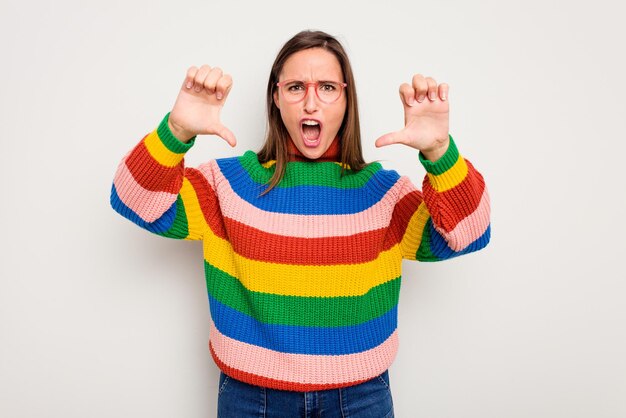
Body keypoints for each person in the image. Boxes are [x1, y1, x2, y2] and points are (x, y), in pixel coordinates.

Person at [110, 29, 490, 418]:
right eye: (295, 87)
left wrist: (440, 152)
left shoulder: (384, 195)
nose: (311, 102)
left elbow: (470, 233)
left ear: (346, 99)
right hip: (250, 398)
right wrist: (176, 132)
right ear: (276, 98)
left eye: (327, 87)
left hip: (360, 399)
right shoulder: (226, 187)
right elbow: (133, 200)